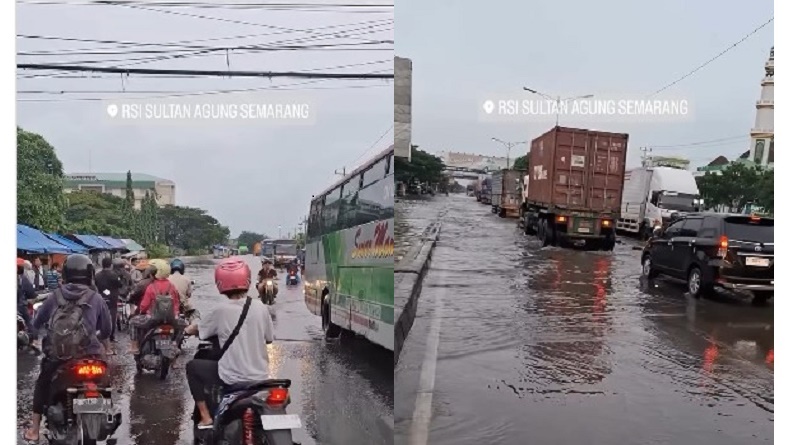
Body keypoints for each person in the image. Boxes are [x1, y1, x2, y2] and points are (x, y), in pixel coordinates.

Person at [22, 254, 112, 442]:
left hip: (60, 357)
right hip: (91, 355)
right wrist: (97, 339)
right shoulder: (96, 298)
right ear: (89, 274)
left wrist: (33, 338)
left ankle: (35, 430)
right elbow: (107, 330)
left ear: (66, 274)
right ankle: (107, 414)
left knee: (42, 383)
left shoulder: (54, 296)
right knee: (104, 380)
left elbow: (36, 323)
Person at [183, 258, 275, 430]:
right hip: (260, 377)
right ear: (247, 280)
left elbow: (201, 329)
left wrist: (187, 330)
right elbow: (269, 338)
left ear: (220, 283)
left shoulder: (220, 311)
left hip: (232, 377)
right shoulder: (261, 307)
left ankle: (205, 417)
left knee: (192, 367)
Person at [129, 259, 181, 354]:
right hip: (170, 319)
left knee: (132, 322)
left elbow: (144, 306)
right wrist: (176, 314)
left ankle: (134, 347)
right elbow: (177, 302)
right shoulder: (172, 286)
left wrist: (141, 311)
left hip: (152, 319)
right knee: (183, 325)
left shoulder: (151, 287)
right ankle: (174, 344)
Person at [95, 257, 123, 347]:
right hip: (112, 298)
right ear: (111, 265)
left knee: (100, 315)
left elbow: (95, 285)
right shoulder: (114, 275)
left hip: (100, 297)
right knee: (113, 316)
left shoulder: (97, 275)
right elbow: (120, 284)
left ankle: (100, 334)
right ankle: (111, 336)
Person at [17, 258, 37, 341]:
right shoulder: (22, 278)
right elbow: (31, 293)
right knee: (29, 321)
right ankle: (33, 338)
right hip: (20, 306)